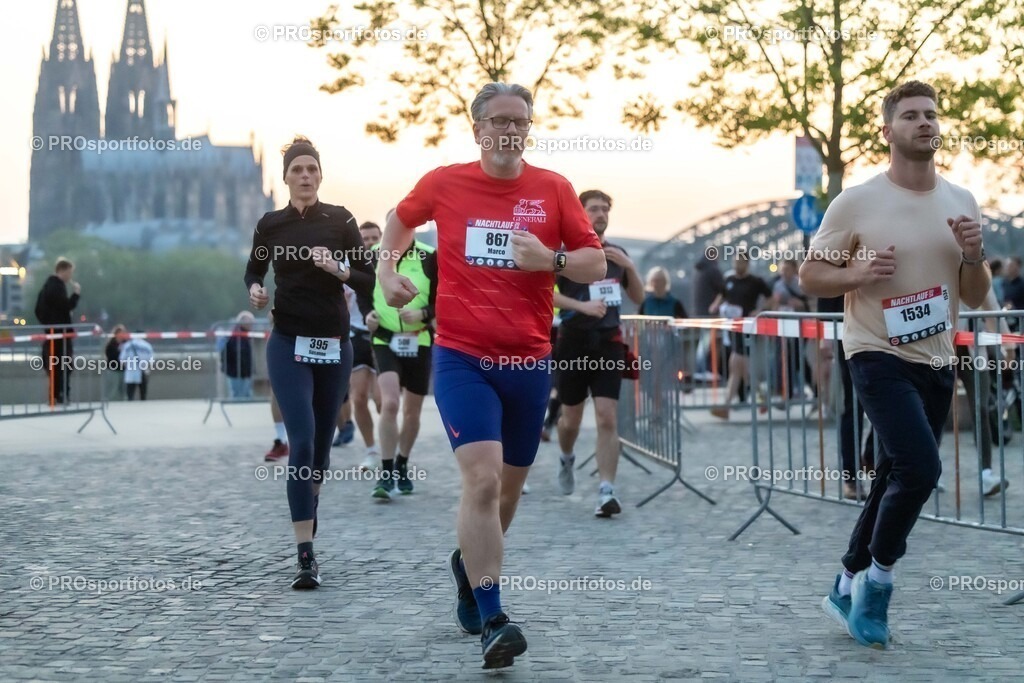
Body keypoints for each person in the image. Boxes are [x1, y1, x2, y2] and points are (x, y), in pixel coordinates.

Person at [376, 82, 605, 668]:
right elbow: (397, 222)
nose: (510, 129)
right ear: (476, 128)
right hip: (461, 357)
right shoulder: (445, 183)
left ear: (529, 129)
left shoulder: (553, 189)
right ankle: (494, 617)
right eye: (499, 120)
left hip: (528, 362)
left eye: (520, 121)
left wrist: (549, 260)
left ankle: (467, 563)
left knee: (507, 491)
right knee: (480, 481)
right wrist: (387, 268)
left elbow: (594, 261)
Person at [801, 81, 991, 649]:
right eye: (910, 115)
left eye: (931, 114)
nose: (924, 123)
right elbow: (813, 274)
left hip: (936, 358)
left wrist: (976, 256)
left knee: (893, 473)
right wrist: (857, 275)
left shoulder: (961, 200)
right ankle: (876, 585)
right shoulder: (856, 202)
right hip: (875, 352)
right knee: (921, 468)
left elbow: (975, 296)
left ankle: (844, 580)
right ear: (888, 132)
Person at [245, 136, 374, 589]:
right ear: (285, 177)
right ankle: (305, 555)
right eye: (297, 169)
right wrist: (256, 292)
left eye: (312, 169)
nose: (305, 176)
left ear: (320, 176)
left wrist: (339, 270)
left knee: (320, 446)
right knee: (300, 442)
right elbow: (254, 270)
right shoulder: (271, 225)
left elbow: (368, 278)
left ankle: (309, 503)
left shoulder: (341, 220)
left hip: (334, 344)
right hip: (287, 340)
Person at [554, 189, 645, 516]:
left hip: (608, 343)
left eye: (606, 209)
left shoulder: (616, 254)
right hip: (573, 342)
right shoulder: (566, 253)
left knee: (607, 416)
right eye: (594, 209)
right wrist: (581, 305)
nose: (601, 214)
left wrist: (631, 267)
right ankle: (566, 458)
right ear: (580, 213)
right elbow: (545, 295)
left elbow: (639, 296)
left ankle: (607, 490)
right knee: (570, 419)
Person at [366, 213, 438, 500]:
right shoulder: (372, 255)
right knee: (391, 403)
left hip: (418, 337)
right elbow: (359, 289)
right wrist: (366, 314)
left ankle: (402, 464)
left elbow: (442, 299)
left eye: (406, 226)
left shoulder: (430, 256)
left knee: (412, 411)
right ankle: (384, 473)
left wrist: (423, 313)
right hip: (384, 337)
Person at [708, 252, 773, 418]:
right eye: (734, 261)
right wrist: (715, 305)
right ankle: (762, 397)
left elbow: (771, 298)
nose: (736, 265)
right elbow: (722, 295)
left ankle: (726, 406)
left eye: (740, 262)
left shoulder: (755, 281)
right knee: (741, 369)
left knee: (736, 365)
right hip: (733, 328)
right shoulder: (729, 279)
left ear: (747, 263)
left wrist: (759, 311)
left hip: (748, 328)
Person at [34, 257, 81, 404]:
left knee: (55, 365)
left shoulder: (47, 287)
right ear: (63, 270)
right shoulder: (57, 286)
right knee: (63, 364)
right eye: (70, 272)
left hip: (53, 333)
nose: (70, 276)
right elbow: (66, 306)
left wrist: (47, 324)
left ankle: (56, 395)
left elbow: (38, 310)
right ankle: (61, 394)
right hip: (60, 334)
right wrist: (76, 295)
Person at [263, 311, 290, 462]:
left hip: (316, 338)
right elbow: (272, 316)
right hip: (285, 340)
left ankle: (315, 442)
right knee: (276, 390)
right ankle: (281, 440)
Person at [219, 311, 255, 399]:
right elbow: (231, 353)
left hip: (242, 372)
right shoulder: (236, 336)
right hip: (236, 372)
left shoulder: (243, 335)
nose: (251, 324)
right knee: (238, 396)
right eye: (249, 322)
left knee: (245, 395)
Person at [120, 332, 154, 400]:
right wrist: (147, 370)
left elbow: (122, 359)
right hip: (142, 372)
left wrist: (127, 367)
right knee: (143, 394)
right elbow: (151, 361)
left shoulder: (127, 345)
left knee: (130, 394)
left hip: (130, 372)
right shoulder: (147, 346)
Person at [103, 324, 127, 401]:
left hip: (123, 369)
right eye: (121, 333)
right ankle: (110, 402)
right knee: (113, 388)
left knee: (123, 389)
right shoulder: (111, 344)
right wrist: (119, 352)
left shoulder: (126, 344)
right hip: (113, 369)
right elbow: (110, 356)